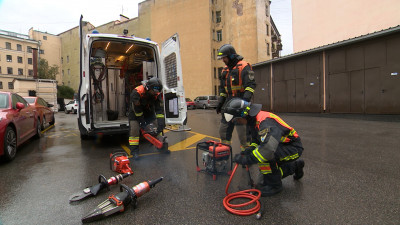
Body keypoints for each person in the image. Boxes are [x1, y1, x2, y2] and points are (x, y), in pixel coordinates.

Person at [223, 98, 305, 196]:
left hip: (292, 147)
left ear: (243, 114)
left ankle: (275, 186)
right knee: (268, 174)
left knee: (265, 158)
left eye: (236, 120)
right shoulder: (253, 121)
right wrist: (249, 150)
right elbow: (256, 141)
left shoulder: (265, 122)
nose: (237, 123)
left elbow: (268, 149)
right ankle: (295, 166)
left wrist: (248, 159)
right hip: (279, 146)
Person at [216, 44, 256, 151]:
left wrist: (244, 102)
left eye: (224, 57)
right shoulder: (224, 70)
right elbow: (222, 89)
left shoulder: (244, 66)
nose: (223, 60)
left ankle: (246, 155)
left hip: (241, 102)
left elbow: (251, 86)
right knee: (223, 131)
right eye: (222, 58)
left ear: (231, 56)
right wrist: (220, 103)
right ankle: (224, 153)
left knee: (243, 133)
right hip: (228, 104)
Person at [128, 77, 166, 159]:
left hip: (149, 112)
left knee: (158, 128)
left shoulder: (157, 94)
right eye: (154, 91)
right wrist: (142, 122)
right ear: (148, 88)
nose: (155, 93)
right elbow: (137, 109)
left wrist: (160, 123)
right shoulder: (137, 92)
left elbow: (159, 109)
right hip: (135, 114)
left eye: (157, 91)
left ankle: (161, 147)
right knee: (134, 131)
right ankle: (134, 152)